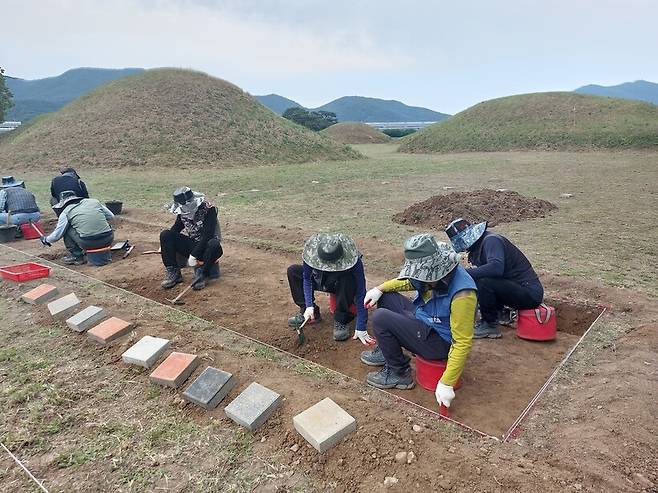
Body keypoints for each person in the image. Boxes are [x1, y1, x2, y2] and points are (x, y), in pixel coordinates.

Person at [360, 234, 477, 410]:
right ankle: (387, 352)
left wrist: (447, 382)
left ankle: (398, 372)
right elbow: (409, 282)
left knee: (381, 318)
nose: (419, 279)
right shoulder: (434, 274)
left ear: (436, 270)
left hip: (439, 342)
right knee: (387, 297)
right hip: (425, 319)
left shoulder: (463, 295)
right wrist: (380, 288)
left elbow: (462, 342)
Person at [445, 218, 544, 339]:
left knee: (483, 281)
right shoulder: (478, 247)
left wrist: (465, 273)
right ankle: (499, 314)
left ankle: (490, 325)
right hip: (516, 290)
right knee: (481, 279)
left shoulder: (491, 241)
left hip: (529, 294)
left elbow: (496, 268)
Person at [287, 233, 374, 344]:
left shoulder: (354, 261)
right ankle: (309, 313)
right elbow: (307, 279)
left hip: (340, 285)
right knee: (293, 271)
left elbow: (361, 292)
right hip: (318, 278)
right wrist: (308, 305)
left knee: (348, 278)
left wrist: (361, 326)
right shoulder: (311, 255)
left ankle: (341, 319)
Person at [160, 187, 223, 291]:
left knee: (213, 244)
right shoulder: (181, 211)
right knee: (166, 235)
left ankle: (202, 274)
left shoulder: (209, 209)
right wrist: (165, 245)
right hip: (193, 244)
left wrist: (193, 255)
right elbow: (177, 227)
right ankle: (174, 272)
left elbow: (208, 235)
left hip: (209, 247)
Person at [40, 191, 114, 265]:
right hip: (108, 238)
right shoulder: (94, 202)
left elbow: (57, 235)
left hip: (89, 242)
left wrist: (46, 240)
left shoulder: (66, 212)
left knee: (67, 228)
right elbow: (111, 216)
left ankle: (77, 256)